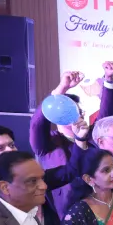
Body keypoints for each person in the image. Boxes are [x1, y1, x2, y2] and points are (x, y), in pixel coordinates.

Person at [31, 72, 91, 217]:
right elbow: (37, 124)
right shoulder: (48, 143)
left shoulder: (90, 138)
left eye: (79, 111)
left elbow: (107, 113)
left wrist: (109, 79)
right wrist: (61, 90)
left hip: (96, 207)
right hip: (64, 213)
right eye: (70, 110)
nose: (77, 115)